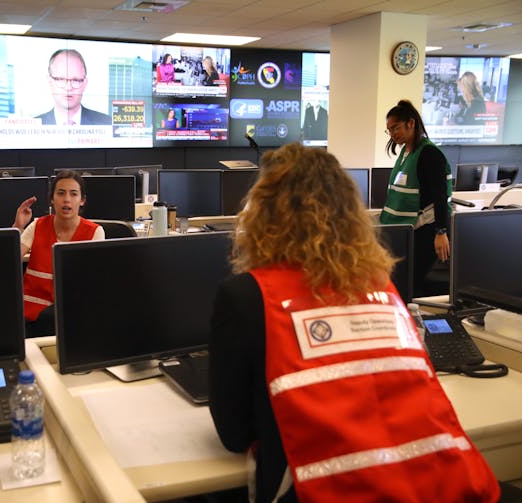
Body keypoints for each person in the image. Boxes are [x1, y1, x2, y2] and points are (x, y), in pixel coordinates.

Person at [209, 143, 500, 503]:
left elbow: (235, 435)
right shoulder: (383, 288)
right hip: (436, 486)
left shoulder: (247, 296)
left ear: (261, 214)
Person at [13, 170, 105, 336]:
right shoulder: (38, 225)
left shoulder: (95, 232)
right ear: (52, 199)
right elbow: (8, 260)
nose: (67, 199)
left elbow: (94, 283)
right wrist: (18, 227)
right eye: (61, 193)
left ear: (82, 200)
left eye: (74, 194)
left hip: (68, 316)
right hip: (28, 316)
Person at [379, 99, 452, 298]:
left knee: (411, 283)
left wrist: (441, 231)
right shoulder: (406, 152)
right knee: (402, 280)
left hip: (427, 230)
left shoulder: (429, 153)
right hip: (410, 228)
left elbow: (440, 196)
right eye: (389, 130)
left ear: (411, 123)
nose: (392, 134)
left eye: (396, 128)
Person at [35, 49, 112, 126]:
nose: (68, 88)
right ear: (50, 82)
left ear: (85, 84)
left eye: (75, 80)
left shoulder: (108, 123)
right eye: (61, 79)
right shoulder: (33, 127)